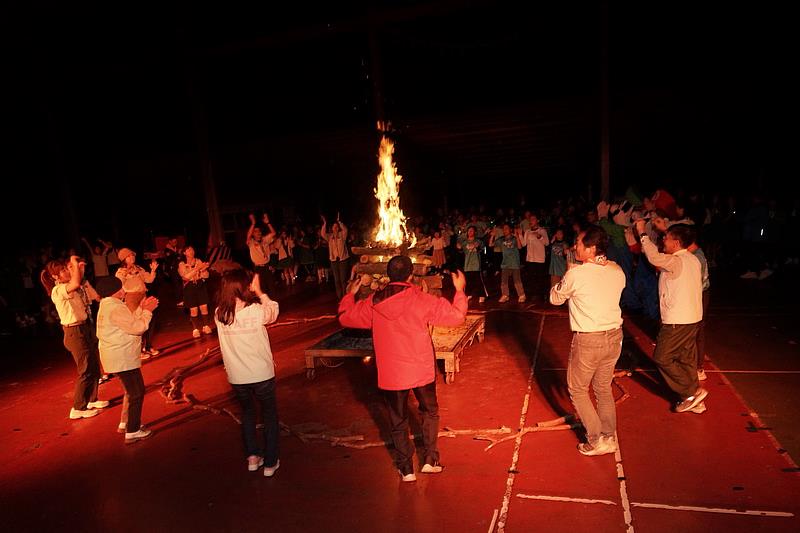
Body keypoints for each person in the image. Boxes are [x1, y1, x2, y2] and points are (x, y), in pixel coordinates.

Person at [338, 256, 468, 482]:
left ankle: (406, 468)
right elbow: (457, 316)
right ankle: (429, 460)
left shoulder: (374, 301)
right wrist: (459, 290)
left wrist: (350, 295)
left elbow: (346, 318)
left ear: (389, 275)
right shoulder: (421, 298)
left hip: (391, 372)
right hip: (421, 369)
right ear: (411, 276)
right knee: (429, 412)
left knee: (397, 421)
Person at [550, 226, 626, 456]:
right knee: (603, 387)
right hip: (614, 336)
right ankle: (609, 436)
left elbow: (555, 298)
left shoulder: (577, 273)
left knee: (578, 389)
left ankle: (595, 439)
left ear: (591, 249)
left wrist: (568, 274)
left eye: (579, 244)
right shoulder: (616, 269)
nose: (575, 247)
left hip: (589, 339)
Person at [634, 219, 707, 413]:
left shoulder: (677, 260)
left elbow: (653, 257)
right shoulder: (692, 259)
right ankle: (694, 401)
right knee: (685, 358)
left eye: (666, 238)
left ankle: (691, 391)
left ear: (676, 243)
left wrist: (642, 233)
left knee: (662, 357)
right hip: (692, 318)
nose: (662, 241)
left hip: (678, 320)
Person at [214, 270, 281, 476]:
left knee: (248, 414)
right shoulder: (255, 311)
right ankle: (270, 463)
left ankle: (253, 457)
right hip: (261, 374)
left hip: (237, 377)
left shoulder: (219, 314)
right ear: (245, 287)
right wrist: (260, 291)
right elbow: (274, 311)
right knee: (269, 416)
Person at [41, 256, 109, 419]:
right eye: (63, 270)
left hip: (84, 328)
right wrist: (73, 262)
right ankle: (77, 408)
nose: (67, 271)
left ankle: (91, 399)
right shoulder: (58, 290)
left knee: (93, 366)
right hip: (74, 332)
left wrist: (79, 269)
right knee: (85, 370)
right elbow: (76, 283)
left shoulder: (68, 286)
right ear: (55, 277)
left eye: (66, 268)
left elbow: (79, 283)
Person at [95, 276, 158, 444]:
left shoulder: (108, 305)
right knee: (136, 392)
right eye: (121, 288)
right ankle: (133, 431)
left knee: (132, 391)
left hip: (117, 356)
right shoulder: (115, 308)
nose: (124, 291)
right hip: (121, 358)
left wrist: (141, 309)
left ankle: (127, 423)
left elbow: (128, 323)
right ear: (115, 291)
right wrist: (148, 311)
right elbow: (138, 328)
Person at [178, 246, 212, 338]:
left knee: (204, 306)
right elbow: (186, 277)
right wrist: (197, 269)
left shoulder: (198, 261)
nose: (191, 251)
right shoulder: (182, 264)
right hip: (189, 286)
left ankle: (206, 326)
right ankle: (195, 329)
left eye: (192, 249)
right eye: (188, 250)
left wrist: (204, 270)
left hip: (200, 284)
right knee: (193, 309)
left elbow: (206, 276)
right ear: (184, 253)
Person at [489, 223, 526, 303]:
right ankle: (505, 295)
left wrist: (517, 236)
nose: (504, 230)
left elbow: (520, 247)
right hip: (505, 263)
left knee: (517, 281)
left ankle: (522, 295)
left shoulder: (514, 238)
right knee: (504, 281)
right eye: (503, 229)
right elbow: (490, 244)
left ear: (510, 230)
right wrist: (493, 235)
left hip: (515, 263)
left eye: (506, 228)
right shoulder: (501, 239)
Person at [321, 213, 350, 299]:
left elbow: (345, 230)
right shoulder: (329, 237)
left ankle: (345, 297)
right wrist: (325, 223)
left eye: (337, 227)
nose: (336, 228)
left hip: (343, 259)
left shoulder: (342, 235)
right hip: (334, 260)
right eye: (334, 227)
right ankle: (340, 297)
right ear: (332, 228)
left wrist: (339, 222)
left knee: (343, 280)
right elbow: (322, 234)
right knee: (337, 280)